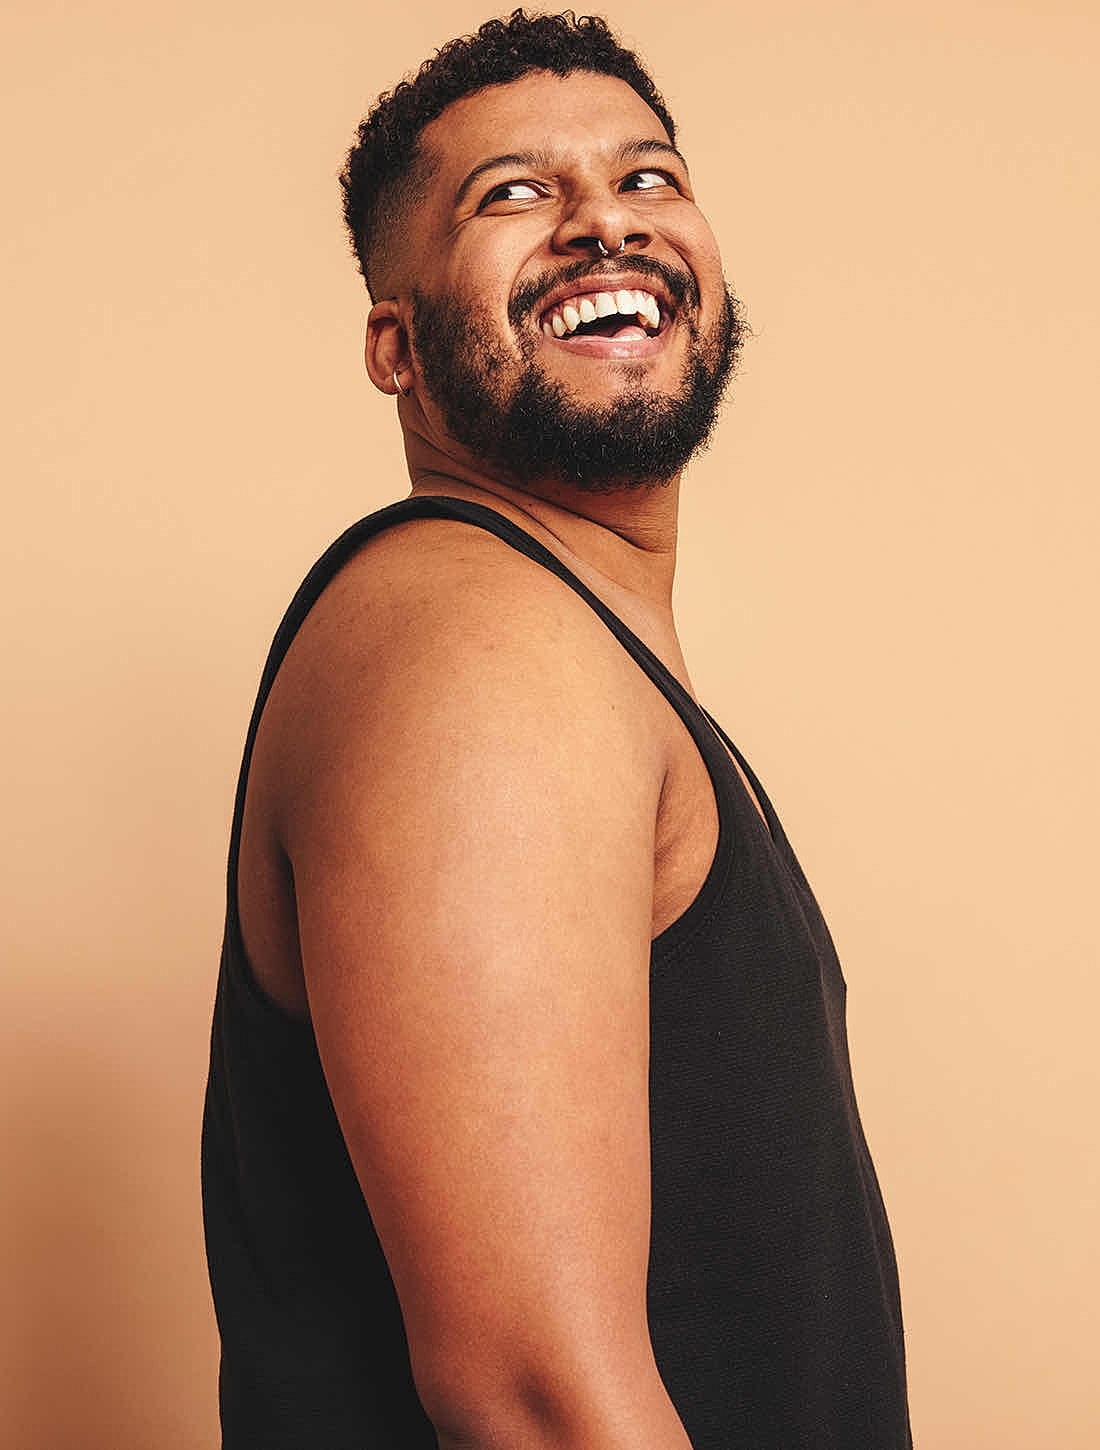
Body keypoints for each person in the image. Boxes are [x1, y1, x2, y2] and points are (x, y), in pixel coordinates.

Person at [201, 11, 911, 1448]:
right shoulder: (477, 641)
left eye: (649, 179)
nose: (605, 221)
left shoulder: (571, 653)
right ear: (395, 347)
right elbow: (536, 1401)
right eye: (514, 195)